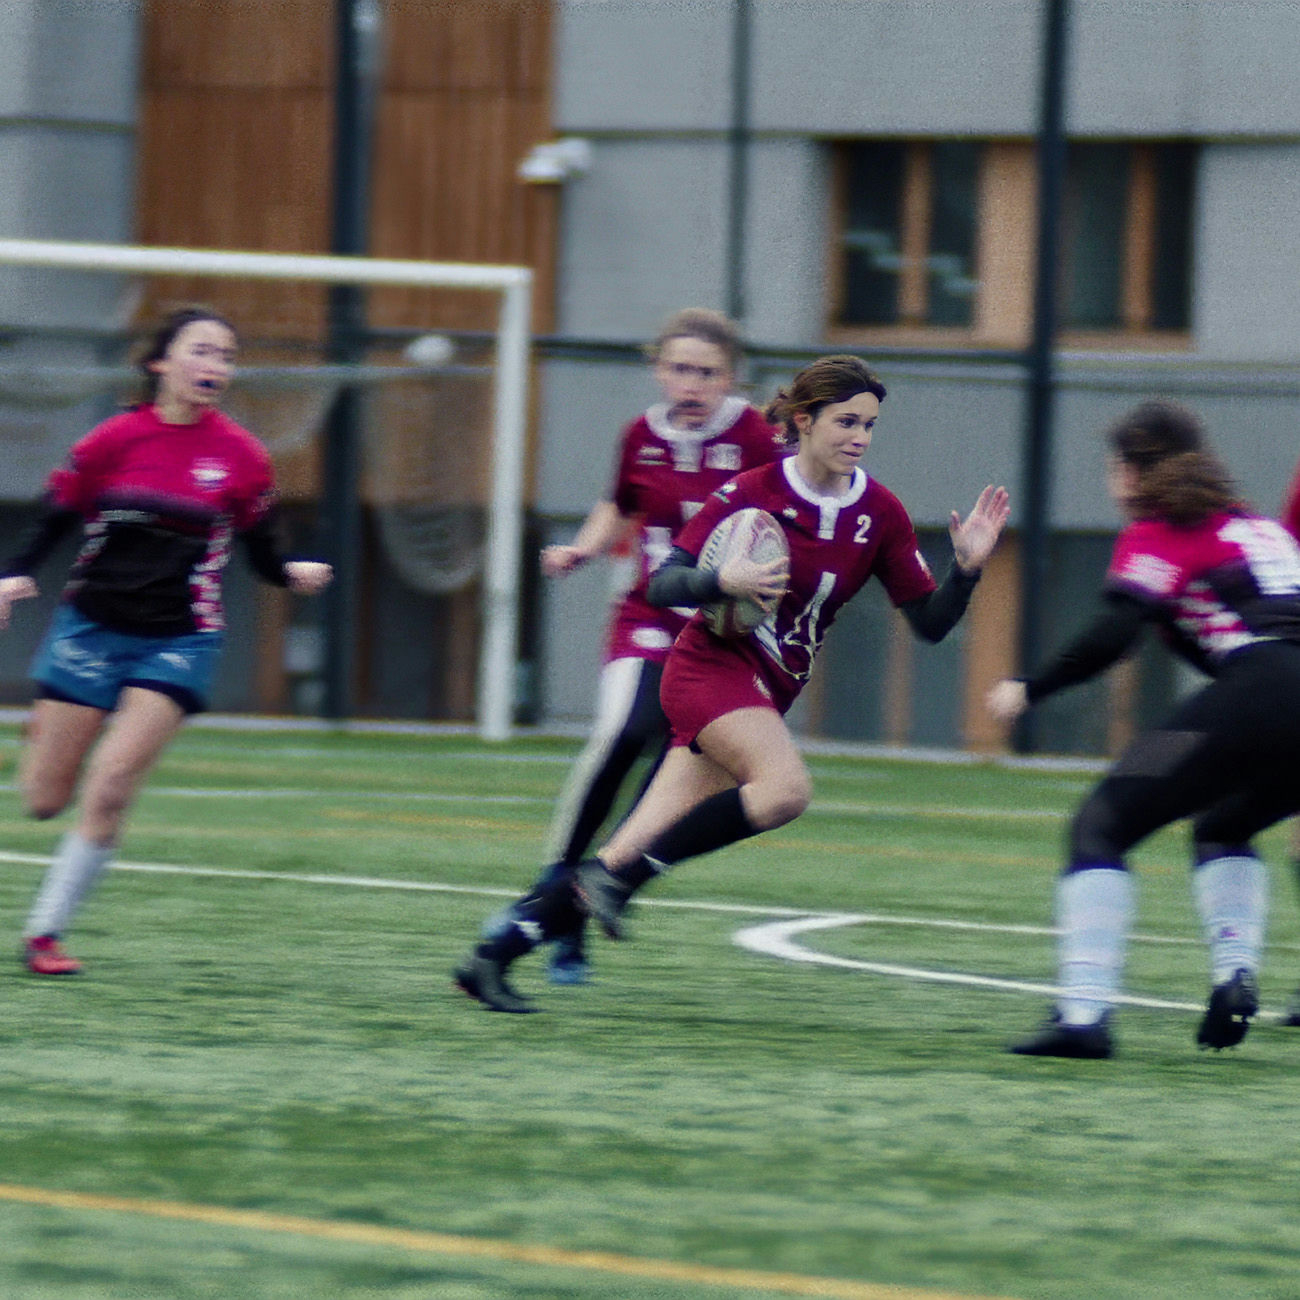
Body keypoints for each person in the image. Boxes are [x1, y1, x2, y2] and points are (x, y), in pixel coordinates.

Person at [456, 353, 1010, 1012]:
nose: (859, 437)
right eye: (846, 421)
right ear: (803, 420)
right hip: (707, 672)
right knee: (784, 790)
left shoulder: (880, 513)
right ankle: (624, 883)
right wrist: (722, 581)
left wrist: (968, 569)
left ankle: (492, 958)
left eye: (868, 425)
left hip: (763, 693)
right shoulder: (750, 494)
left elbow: (930, 624)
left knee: (624, 847)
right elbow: (665, 582)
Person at [0, 306, 332, 975]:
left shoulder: (241, 456)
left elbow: (262, 546)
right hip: (90, 627)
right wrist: (12, 577)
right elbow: (56, 517)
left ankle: (46, 934)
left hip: (180, 637)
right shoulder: (111, 441)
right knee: (43, 800)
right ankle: (44, 735)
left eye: (226, 357)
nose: (215, 367)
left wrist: (288, 574)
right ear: (161, 362)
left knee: (114, 781)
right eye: (202, 352)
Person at [986, 399, 1300, 1059]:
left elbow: (1116, 633)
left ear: (1130, 470)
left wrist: (1031, 686)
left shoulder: (1165, 527)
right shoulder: (1262, 530)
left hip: (1266, 686)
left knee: (1100, 823)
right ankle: (1235, 972)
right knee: (1223, 823)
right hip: (1274, 691)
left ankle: (1083, 1016)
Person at [489, 308, 784, 984]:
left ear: (729, 378)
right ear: (658, 370)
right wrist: (582, 550)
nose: (691, 382)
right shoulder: (639, 437)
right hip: (648, 614)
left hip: (718, 632)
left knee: (671, 775)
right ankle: (555, 875)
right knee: (625, 733)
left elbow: (786, 508)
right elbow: (619, 506)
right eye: (679, 368)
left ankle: (572, 911)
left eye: (707, 372)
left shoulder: (754, 437)